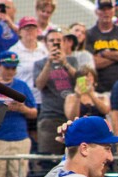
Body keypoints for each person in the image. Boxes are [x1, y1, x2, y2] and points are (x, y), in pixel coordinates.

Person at [34, 29, 78, 157]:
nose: (55, 43)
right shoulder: (40, 64)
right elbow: (39, 85)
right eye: (52, 41)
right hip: (50, 116)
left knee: (73, 157)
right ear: (46, 43)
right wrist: (49, 63)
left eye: (59, 40)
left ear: (64, 43)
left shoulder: (73, 61)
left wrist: (65, 63)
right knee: (49, 160)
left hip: (72, 117)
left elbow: (81, 82)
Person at [86, 0, 118, 93]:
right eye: (102, 9)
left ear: (114, 10)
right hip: (99, 89)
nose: (106, 12)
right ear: (96, 12)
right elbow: (92, 63)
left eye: (109, 9)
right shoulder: (89, 34)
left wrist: (104, 54)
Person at [8, 17, 47, 105]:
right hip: (23, 99)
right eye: (26, 28)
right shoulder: (13, 51)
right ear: (19, 32)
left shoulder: (44, 49)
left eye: (33, 28)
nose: (30, 31)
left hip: (42, 99)